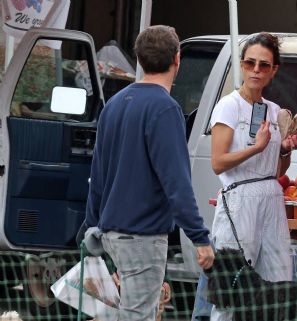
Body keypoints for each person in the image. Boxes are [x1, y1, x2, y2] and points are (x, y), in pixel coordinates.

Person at [84, 25, 214, 321]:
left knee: (120, 315)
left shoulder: (114, 105)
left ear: (139, 59)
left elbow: (98, 176)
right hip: (142, 236)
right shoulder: (165, 109)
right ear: (177, 60)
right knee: (137, 317)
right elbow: (176, 183)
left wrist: (91, 225)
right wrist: (200, 238)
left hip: (111, 234)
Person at [209, 32, 297, 321]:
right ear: (241, 65)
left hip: (271, 196)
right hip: (239, 198)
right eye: (250, 63)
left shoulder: (274, 111)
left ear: (274, 70)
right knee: (231, 287)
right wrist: (256, 148)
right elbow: (217, 163)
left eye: (264, 65)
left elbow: (276, 171)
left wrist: (285, 150)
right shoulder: (229, 105)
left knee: (277, 282)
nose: (256, 70)